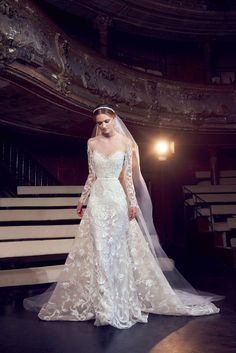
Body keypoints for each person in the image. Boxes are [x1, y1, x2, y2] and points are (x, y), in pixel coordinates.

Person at [24, 105, 222, 329]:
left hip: (117, 200)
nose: (103, 126)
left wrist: (133, 204)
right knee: (99, 247)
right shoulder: (91, 143)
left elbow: (127, 178)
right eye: (99, 123)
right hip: (98, 198)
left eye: (106, 121)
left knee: (117, 249)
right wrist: (82, 199)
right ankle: (104, 305)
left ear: (114, 119)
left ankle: (119, 301)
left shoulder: (127, 143)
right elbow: (91, 174)